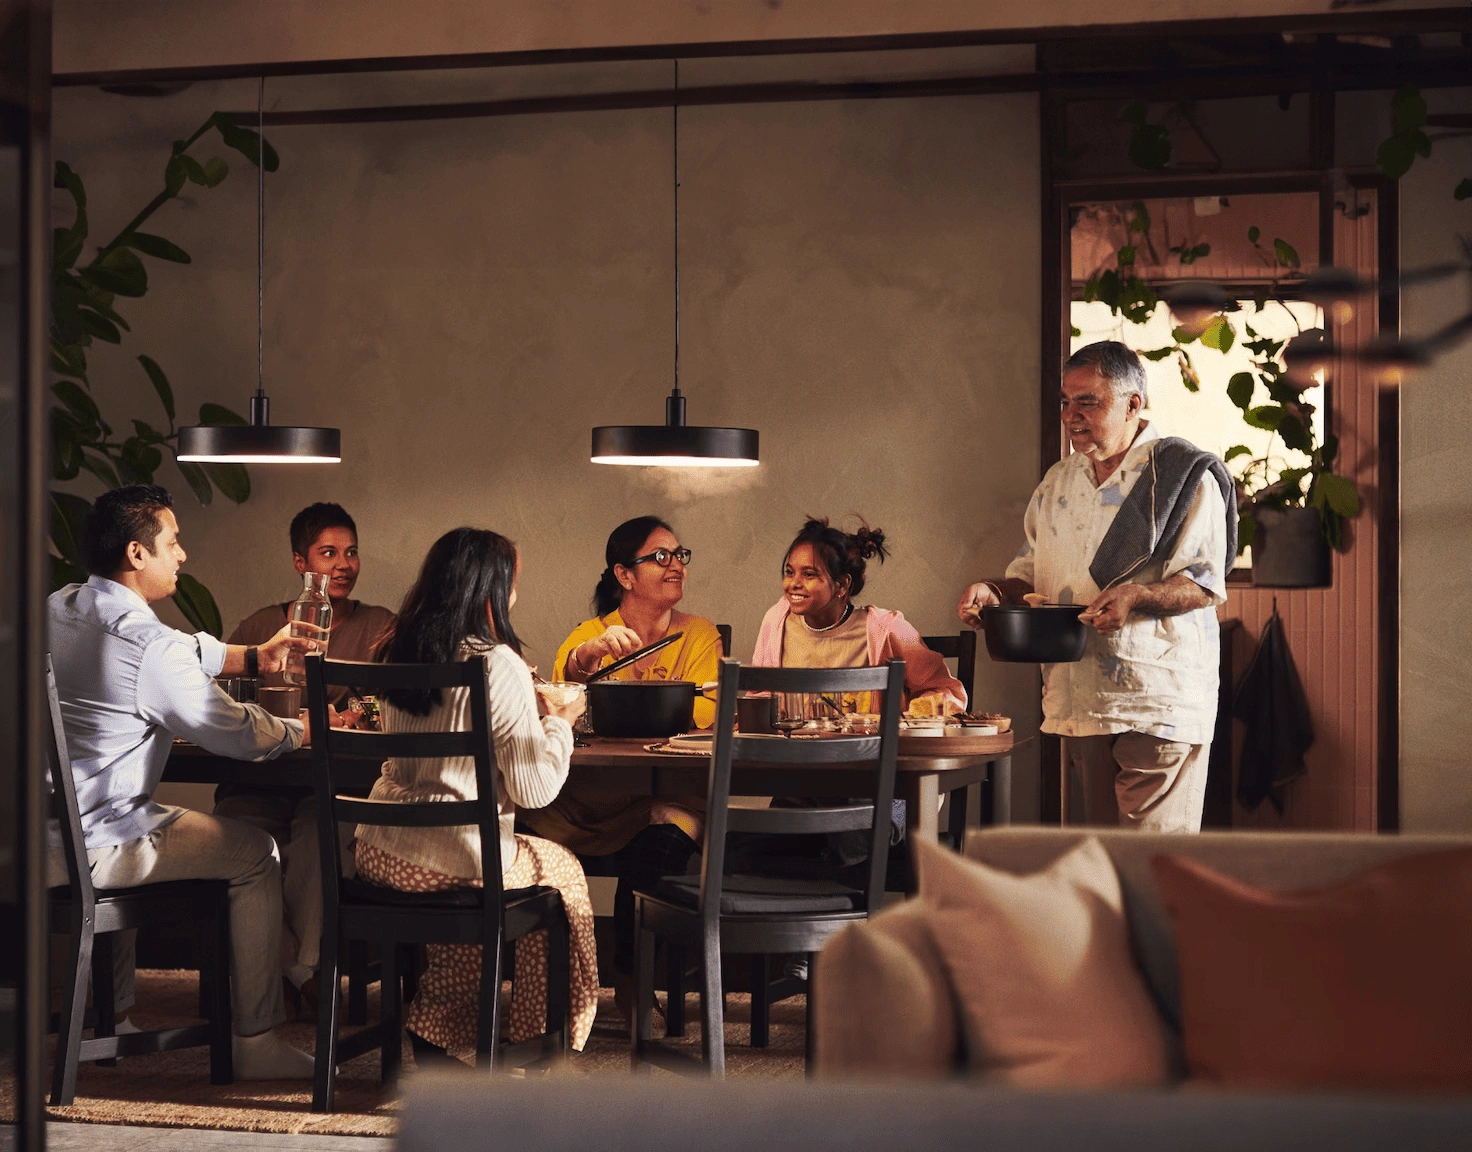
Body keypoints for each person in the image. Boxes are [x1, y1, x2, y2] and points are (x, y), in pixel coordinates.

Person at [47, 484, 318, 1080]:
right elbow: (237, 735)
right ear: (136, 553)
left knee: (140, 814)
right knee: (257, 852)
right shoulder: (147, 645)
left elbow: (172, 651)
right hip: (103, 844)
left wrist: (255, 657)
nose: (182, 554)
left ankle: (113, 1017)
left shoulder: (58, 608)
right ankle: (256, 1041)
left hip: (43, 841)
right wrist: (302, 730)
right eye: (172, 542)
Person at [956, 341, 1234, 833]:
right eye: (1066, 402)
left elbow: (1204, 583)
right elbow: (1029, 574)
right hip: (1078, 699)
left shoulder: (1180, 476)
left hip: (1157, 700)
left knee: (1152, 860)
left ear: (1133, 404)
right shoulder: (1059, 481)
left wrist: (1137, 596)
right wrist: (995, 594)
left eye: (1088, 401)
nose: (1071, 416)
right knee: (1093, 858)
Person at [354, 528, 597, 1059]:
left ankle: (438, 1029)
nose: (515, 595)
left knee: (479, 866)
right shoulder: (498, 663)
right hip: (450, 859)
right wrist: (560, 723)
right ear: (490, 590)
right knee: (562, 872)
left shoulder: (398, 651)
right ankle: (541, 1038)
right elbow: (534, 790)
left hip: (379, 850)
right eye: (512, 583)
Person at [521, 516, 722, 1018]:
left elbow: (706, 711)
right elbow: (562, 697)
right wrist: (585, 659)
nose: (676, 566)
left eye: (679, 555)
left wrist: (625, 708)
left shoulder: (700, 634)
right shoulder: (590, 635)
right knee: (520, 826)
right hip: (592, 801)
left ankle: (634, 978)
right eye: (660, 557)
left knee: (661, 839)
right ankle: (550, 991)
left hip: (669, 795)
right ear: (624, 575)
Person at [213, 502, 396, 1015]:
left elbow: (401, 700)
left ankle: (307, 972)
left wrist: (356, 713)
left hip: (337, 783)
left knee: (321, 842)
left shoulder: (381, 626)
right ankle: (296, 971)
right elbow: (222, 702)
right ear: (301, 563)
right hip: (258, 782)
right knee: (236, 838)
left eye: (351, 553)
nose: (344, 565)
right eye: (328, 553)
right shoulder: (263, 626)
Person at [752, 516, 967, 711]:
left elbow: (946, 692)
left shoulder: (886, 629)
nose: (793, 584)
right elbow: (759, 694)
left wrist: (909, 717)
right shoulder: (776, 621)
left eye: (809, 574)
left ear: (842, 585)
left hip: (868, 743)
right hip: (792, 743)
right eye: (790, 572)